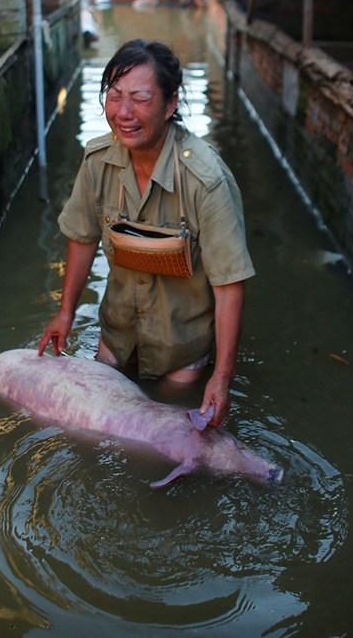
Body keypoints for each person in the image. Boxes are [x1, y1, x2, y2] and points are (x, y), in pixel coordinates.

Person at [38, 39, 255, 427]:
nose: (124, 112)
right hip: (118, 333)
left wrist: (222, 377)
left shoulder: (205, 180)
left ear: (170, 105)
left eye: (140, 98)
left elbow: (229, 285)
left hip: (180, 349)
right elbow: (83, 238)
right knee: (99, 425)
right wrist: (66, 313)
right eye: (115, 96)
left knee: (169, 426)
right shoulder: (98, 162)